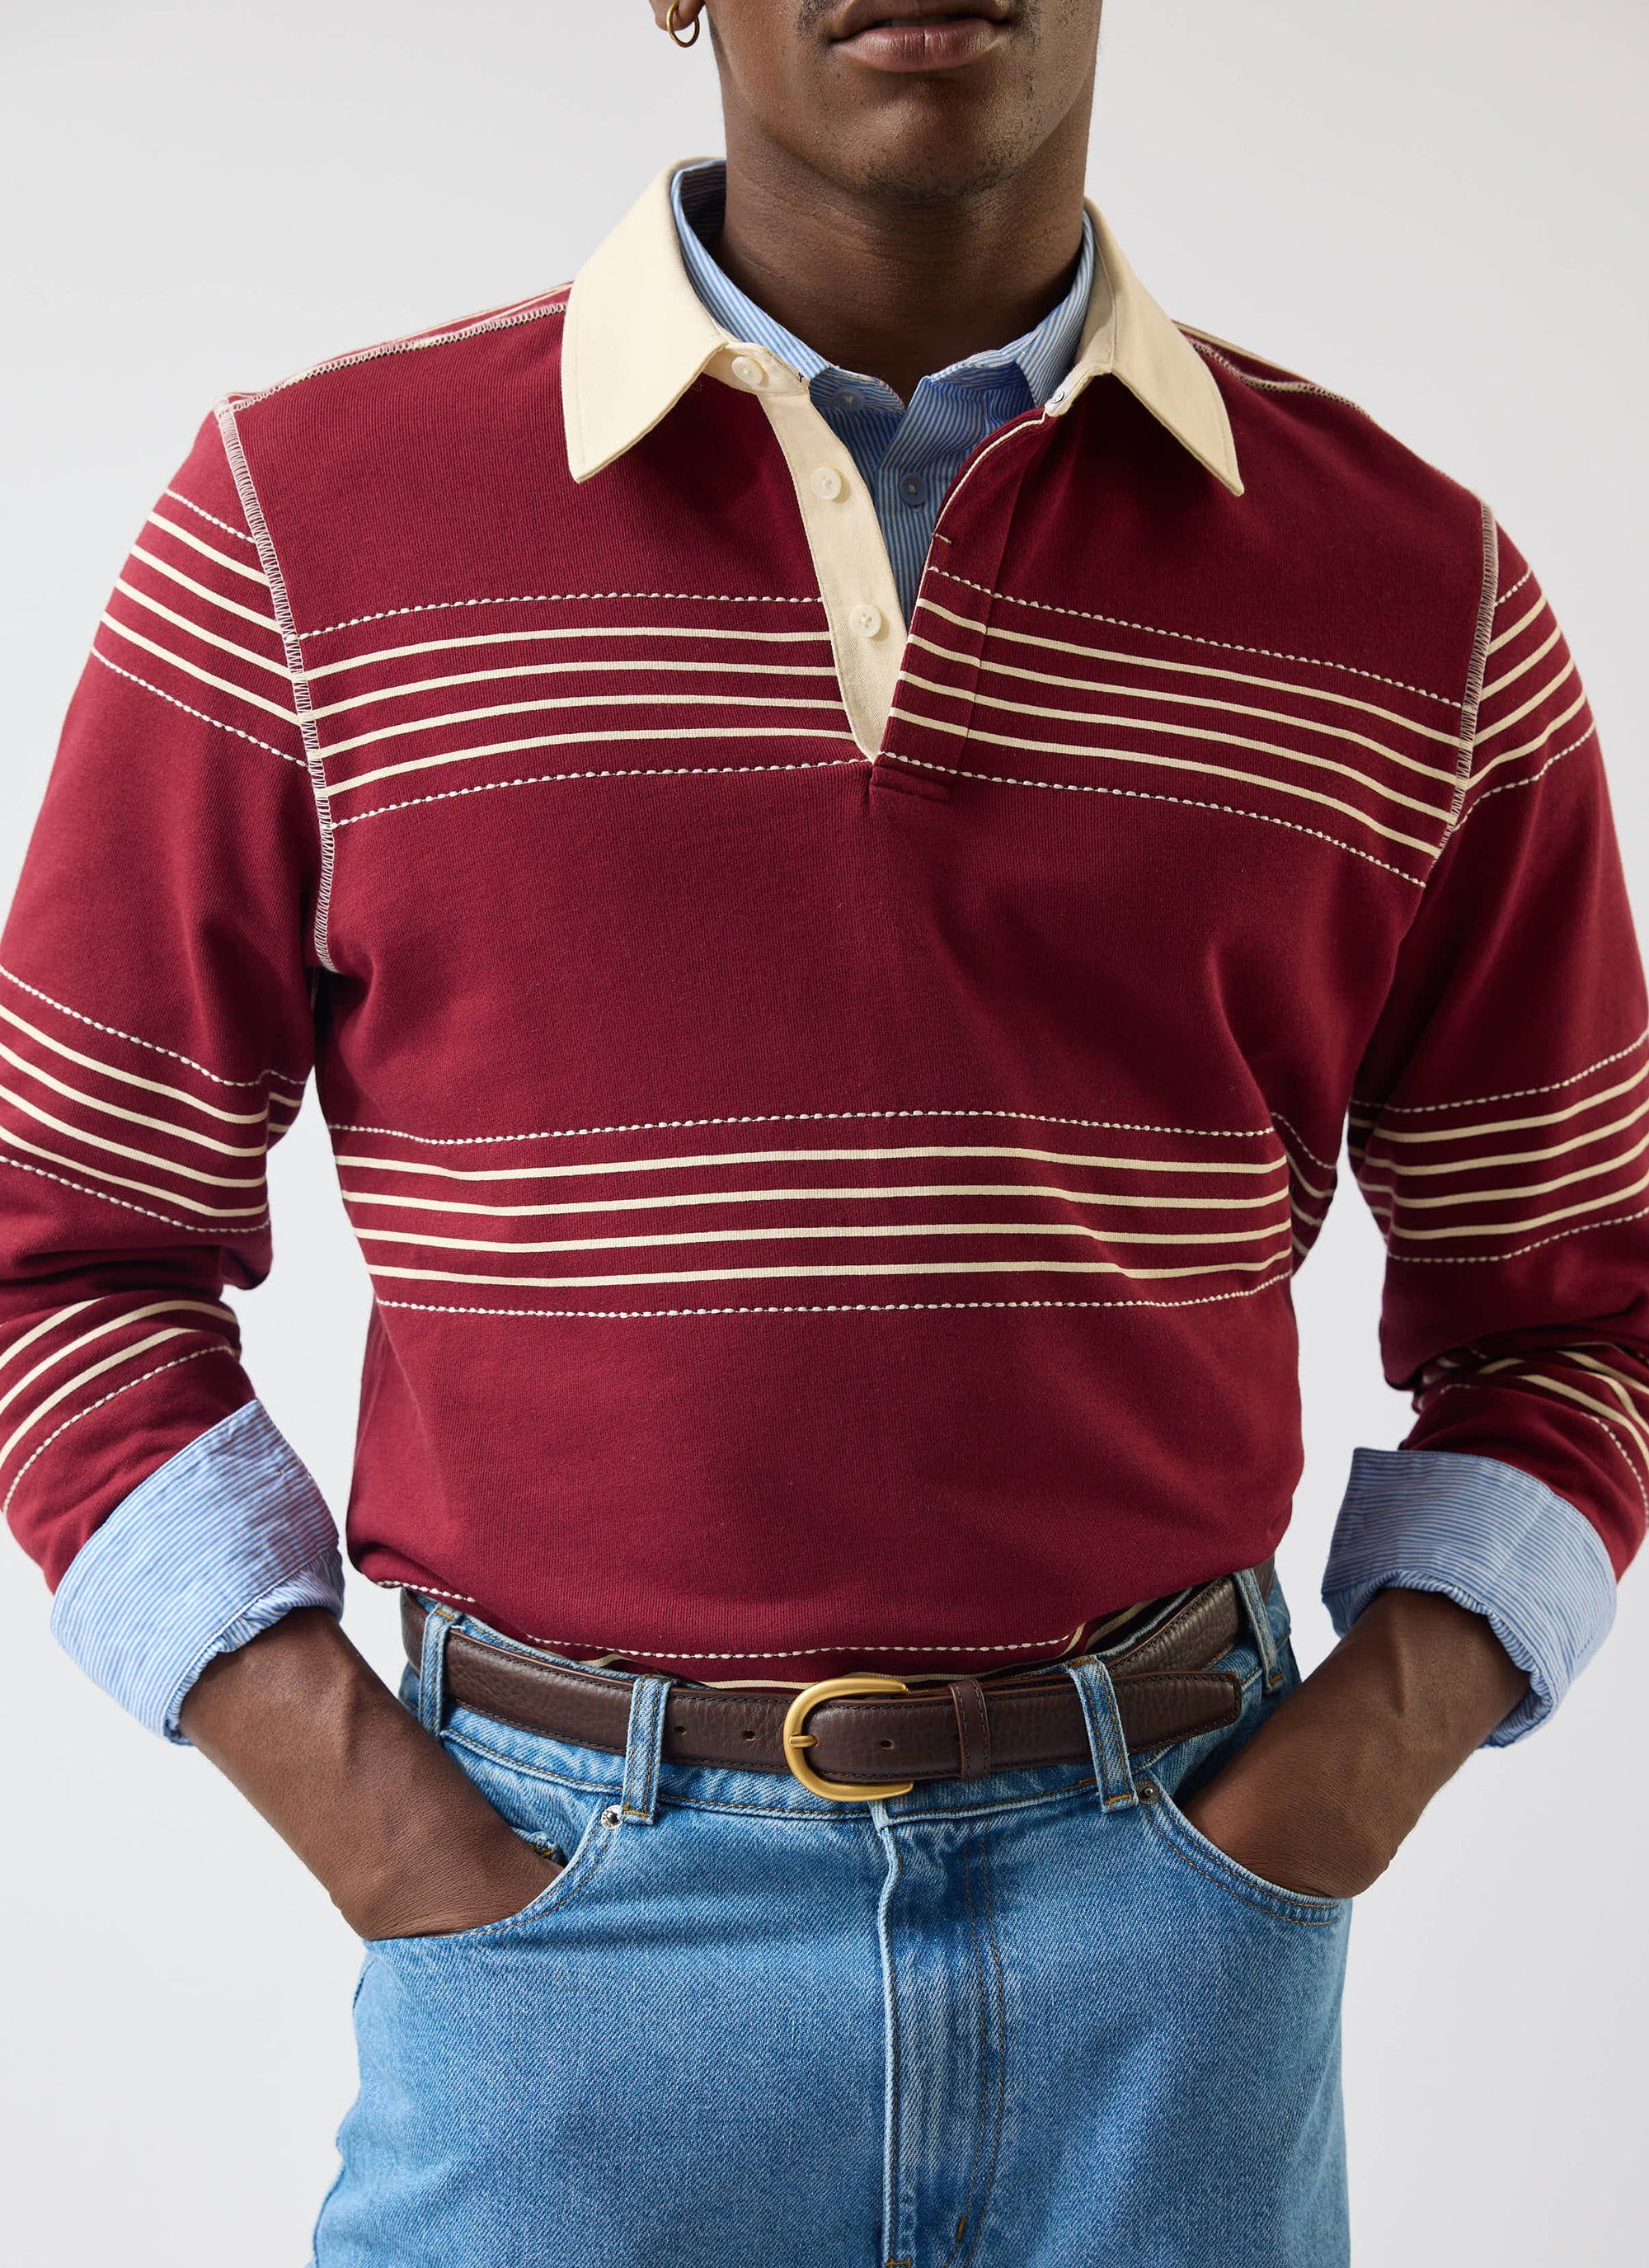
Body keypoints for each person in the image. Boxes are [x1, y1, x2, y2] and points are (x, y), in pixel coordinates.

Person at [2, 2, 1641, 2261]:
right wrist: (393, 1832)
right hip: (562, 1940)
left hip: (1175, 1933)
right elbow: (59, 1252)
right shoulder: (303, 525)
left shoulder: (1418, 594)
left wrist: (1326, 1796)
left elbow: (1586, 1309)